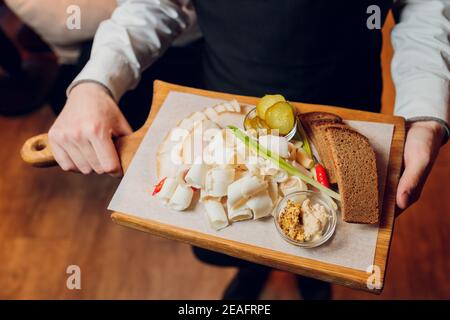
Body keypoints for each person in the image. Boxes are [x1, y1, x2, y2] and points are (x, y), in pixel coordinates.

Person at [47, 0, 449, 299]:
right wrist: (95, 81)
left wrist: (425, 116)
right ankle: (250, 271)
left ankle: (314, 285)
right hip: (228, 103)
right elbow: (155, 6)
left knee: (328, 243)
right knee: (234, 230)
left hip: (349, 104)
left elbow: (425, 9)